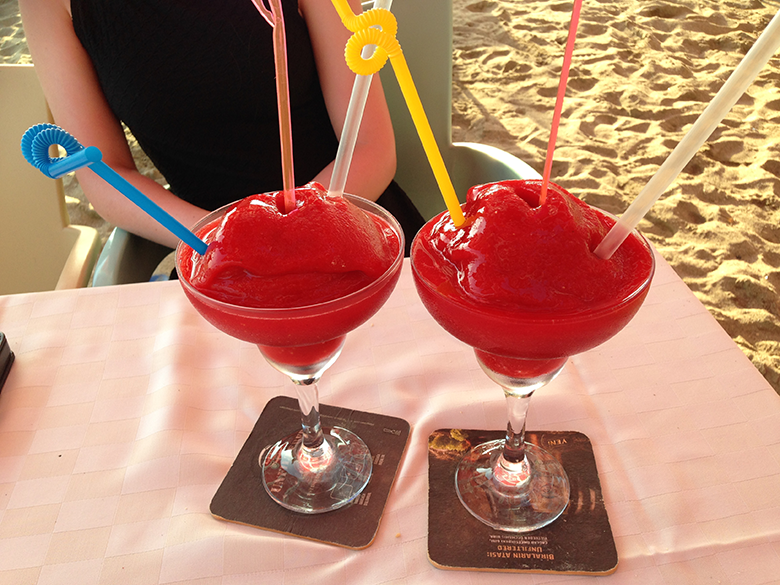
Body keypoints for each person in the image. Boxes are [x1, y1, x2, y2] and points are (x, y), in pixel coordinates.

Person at [19, 0, 424, 254]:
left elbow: (371, 146)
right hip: (211, 248)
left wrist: (298, 231)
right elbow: (105, 174)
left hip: (349, 218)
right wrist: (219, 239)